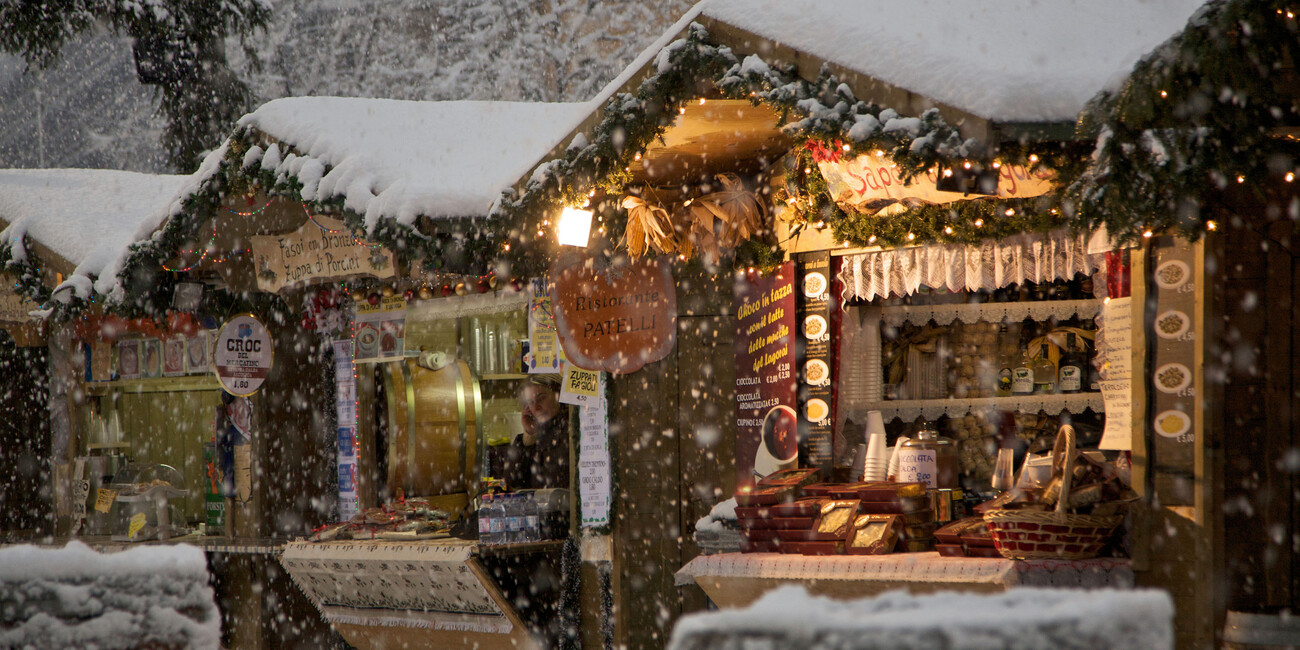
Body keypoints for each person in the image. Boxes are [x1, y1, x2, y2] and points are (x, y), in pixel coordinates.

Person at [502, 375, 570, 491]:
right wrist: (529, 435)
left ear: (558, 395)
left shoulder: (570, 430)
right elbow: (513, 481)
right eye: (530, 402)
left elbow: (555, 480)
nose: (536, 407)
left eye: (541, 398)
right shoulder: (534, 436)